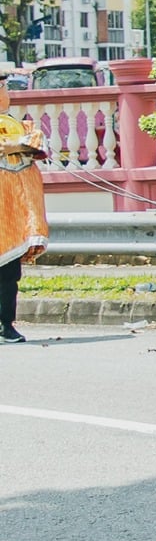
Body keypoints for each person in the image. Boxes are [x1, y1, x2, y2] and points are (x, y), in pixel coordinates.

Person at [0, 78, 48, 344]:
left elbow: (39, 144)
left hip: (13, 214)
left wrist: (14, 146)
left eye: (2, 88)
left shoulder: (21, 126)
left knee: (8, 273)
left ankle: (5, 324)